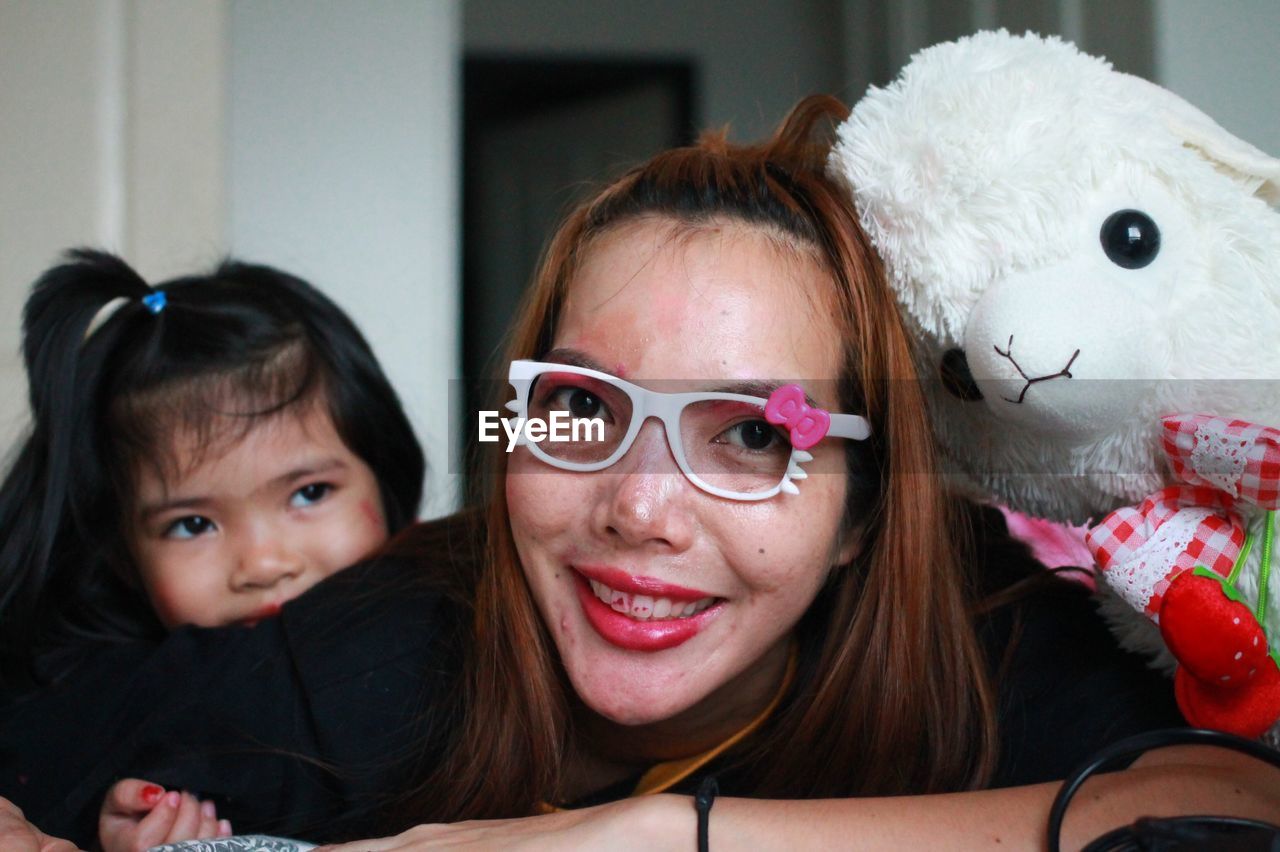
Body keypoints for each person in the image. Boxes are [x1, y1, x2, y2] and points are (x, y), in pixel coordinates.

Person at [7, 97, 1280, 850]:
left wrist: (665, 836)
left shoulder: (978, 624)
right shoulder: (383, 643)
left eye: (749, 435)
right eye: (579, 410)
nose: (637, 509)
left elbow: (1226, 804)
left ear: (861, 514)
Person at [0, 251, 425, 847]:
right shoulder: (120, 713)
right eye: (192, 525)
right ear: (122, 555)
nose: (263, 563)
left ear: (388, 478)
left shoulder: (437, 634)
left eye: (309, 493)